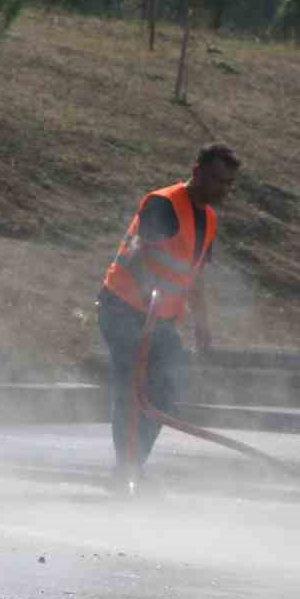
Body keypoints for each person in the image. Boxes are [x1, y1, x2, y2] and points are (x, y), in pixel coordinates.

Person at [97, 143, 240, 489]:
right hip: (124, 309)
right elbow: (136, 252)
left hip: (159, 319)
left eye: (227, 184)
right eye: (216, 180)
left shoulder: (208, 219)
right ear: (197, 172)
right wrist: (149, 292)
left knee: (166, 389)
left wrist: (202, 327)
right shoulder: (163, 203)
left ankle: (133, 465)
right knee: (132, 389)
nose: (221, 189)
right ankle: (127, 470)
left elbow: (195, 276)